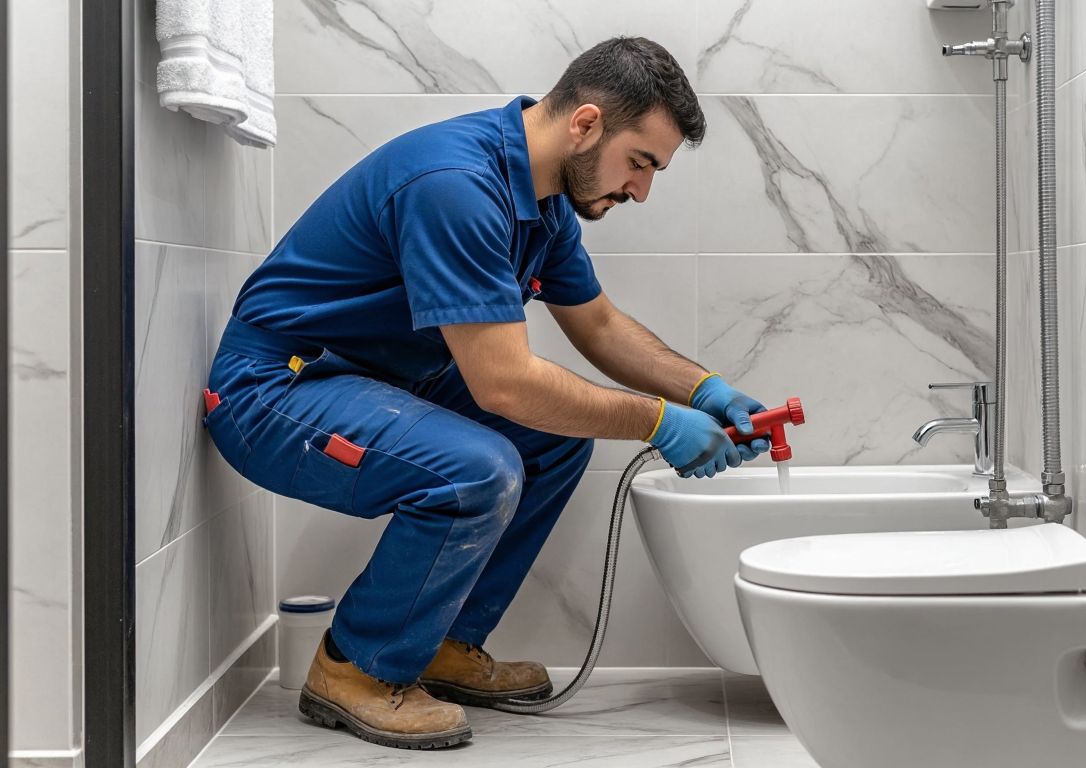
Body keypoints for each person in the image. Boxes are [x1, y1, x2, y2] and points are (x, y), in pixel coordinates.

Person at [201, 36, 771, 750]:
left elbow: (597, 324)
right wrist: (659, 421)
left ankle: (439, 644)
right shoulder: (455, 185)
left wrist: (706, 388)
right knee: (476, 468)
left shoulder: (544, 201)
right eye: (641, 162)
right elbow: (502, 385)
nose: (641, 189)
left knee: (555, 439)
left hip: (370, 378)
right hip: (273, 390)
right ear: (586, 124)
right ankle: (354, 669)